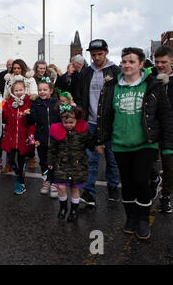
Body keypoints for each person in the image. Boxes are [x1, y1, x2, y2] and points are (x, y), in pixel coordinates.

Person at [95, 47, 173, 239]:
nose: (127, 65)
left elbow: (165, 115)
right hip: (120, 143)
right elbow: (104, 115)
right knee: (127, 183)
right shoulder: (112, 85)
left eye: (131, 61)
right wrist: (100, 139)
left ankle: (143, 220)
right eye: (124, 61)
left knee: (141, 181)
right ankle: (131, 217)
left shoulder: (153, 84)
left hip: (146, 143)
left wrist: (168, 145)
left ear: (141, 64)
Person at [77, 39, 121, 206]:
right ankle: (89, 193)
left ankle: (113, 187)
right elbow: (81, 96)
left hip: (110, 123)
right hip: (90, 121)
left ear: (107, 52)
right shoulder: (86, 73)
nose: (96, 58)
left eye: (99, 54)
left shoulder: (116, 71)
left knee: (111, 158)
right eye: (93, 55)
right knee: (90, 159)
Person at [48, 104, 93, 222]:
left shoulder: (82, 132)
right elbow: (52, 148)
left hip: (77, 164)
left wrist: (97, 143)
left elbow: (90, 143)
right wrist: (51, 161)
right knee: (61, 187)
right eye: (66, 122)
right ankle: (63, 208)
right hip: (61, 164)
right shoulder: (57, 131)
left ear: (76, 120)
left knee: (74, 189)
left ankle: (74, 210)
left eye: (71, 122)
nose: (68, 125)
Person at [2, 77, 35, 194]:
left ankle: (21, 182)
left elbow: (32, 123)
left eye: (21, 90)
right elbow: (4, 119)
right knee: (11, 161)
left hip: (23, 138)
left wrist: (30, 137)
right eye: (16, 90)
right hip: (11, 138)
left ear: (25, 89)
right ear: (12, 91)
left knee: (21, 163)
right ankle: (18, 176)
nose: (18, 92)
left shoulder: (29, 102)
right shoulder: (8, 103)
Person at [28, 78, 60, 197]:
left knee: (54, 161)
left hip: (54, 138)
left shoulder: (56, 103)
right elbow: (32, 120)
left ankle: (54, 183)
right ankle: (46, 181)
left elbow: (60, 119)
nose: (42, 92)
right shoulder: (35, 103)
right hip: (40, 138)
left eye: (45, 90)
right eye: (40, 90)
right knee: (43, 162)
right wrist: (29, 114)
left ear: (50, 91)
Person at [3, 59, 38, 170]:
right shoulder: (9, 79)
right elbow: (6, 95)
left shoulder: (30, 79)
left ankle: (31, 157)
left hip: (26, 107)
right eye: (15, 68)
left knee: (29, 135)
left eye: (19, 68)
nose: (17, 70)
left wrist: (27, 104)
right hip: (13, 108)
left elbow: (34, 94)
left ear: (23, 68)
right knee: (11, 138)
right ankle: (8, 163)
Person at [152, 45, 173, 213]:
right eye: (157, 61)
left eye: (163, 62)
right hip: (151, 128)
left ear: (171, 61)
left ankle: (165, 196)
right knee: (148, 163)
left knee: (169, 165)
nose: (159, 65)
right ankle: (154, 179)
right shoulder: (150, 78)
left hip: (170, 130)